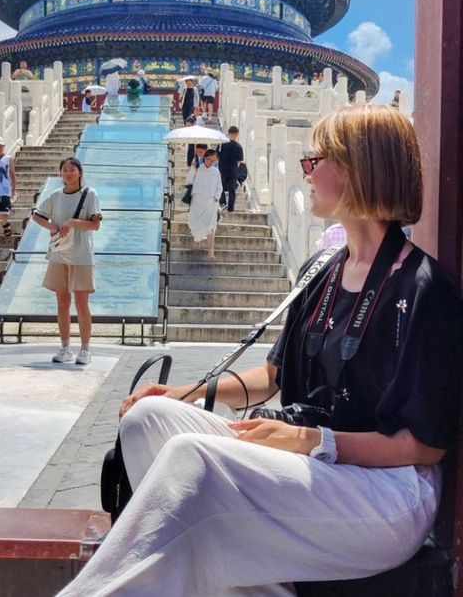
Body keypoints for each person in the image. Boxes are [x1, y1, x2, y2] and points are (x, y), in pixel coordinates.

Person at [58, 104, 461, 595]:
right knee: (149, 421)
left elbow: (425, 446)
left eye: (316, 160)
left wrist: (317, 441)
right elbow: (271, 376)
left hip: (386, 493)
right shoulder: (322, 268)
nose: (305, 171)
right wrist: (181, 393)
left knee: (193, 459)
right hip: (315, 463)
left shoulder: (422, 287)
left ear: (358, 168)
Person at [31, 158, 101, 365]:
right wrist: (52, 227)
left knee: (81, 302)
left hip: (81, 254)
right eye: (65, 170)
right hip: (59, 254)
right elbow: (37, 216)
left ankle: (86, 349)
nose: (68, 173)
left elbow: (95, 225)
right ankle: (65, 347)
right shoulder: (55, 195)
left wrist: (72, 222)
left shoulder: (90, 195)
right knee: (62, 302)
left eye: (72, 169)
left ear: (80, 172)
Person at [186, 148, 222, 259]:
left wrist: (216, 197)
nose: (211, 162)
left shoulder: (216, 172)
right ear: (205, 158)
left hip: (211, 202)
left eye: (214, 160)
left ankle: (211, 251)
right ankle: (197, 244)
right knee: (195, 224)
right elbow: (188, 182)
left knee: (211, 226)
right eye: (209, 159)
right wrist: (193, 168)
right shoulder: (198, 169)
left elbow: (219, 187)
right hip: (197, 202)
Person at [217, 125, 244, 213]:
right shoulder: (238, 147)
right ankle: (231, 207)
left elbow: (217, 156)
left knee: (220, 187)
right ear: (236, 134)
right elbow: (239, 161)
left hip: (222, 168)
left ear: (228, 133)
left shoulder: (221, 144)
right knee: (232, 189)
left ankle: (223, 202)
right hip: (233, 170)